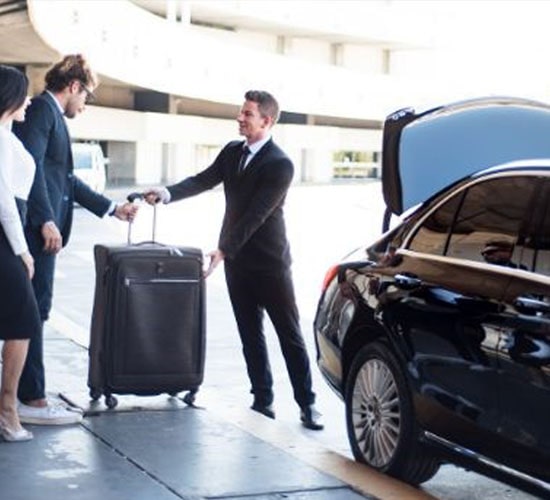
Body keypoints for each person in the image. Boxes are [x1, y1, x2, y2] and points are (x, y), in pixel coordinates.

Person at [145, 90, 323, 430]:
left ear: (266, 121)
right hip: (237, 263)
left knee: (289, 334)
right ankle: (262, 400)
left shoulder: (280, 164)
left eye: (247, 114)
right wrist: (166, 194)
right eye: (241, 112)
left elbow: (256, 215)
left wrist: (223, 249)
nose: (239, 118)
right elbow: (202, 180)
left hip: (270, 265)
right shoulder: (232, 152)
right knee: (250, 334)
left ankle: (307, 403)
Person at [12, 54, 138, 425]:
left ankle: (27, 391)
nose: (85, 104)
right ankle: (31, 398)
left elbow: (65, 180)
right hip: (36, 232)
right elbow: (31, 168)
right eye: (87, 96)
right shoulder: (42, 112)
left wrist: (111, 208)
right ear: (74, 86)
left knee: (35, 310)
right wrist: (45, 219)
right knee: (32, 312)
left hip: (40, 230)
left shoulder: (51, 116)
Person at [0, 65, 39, 441]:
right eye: (24, 94)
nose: (29, 101)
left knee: (19, 318)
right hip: (4, 235)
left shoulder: (7, 133)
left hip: (9, 233)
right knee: (24, 319)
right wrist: (23, 251)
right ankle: (7, 411)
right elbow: (4, 201)